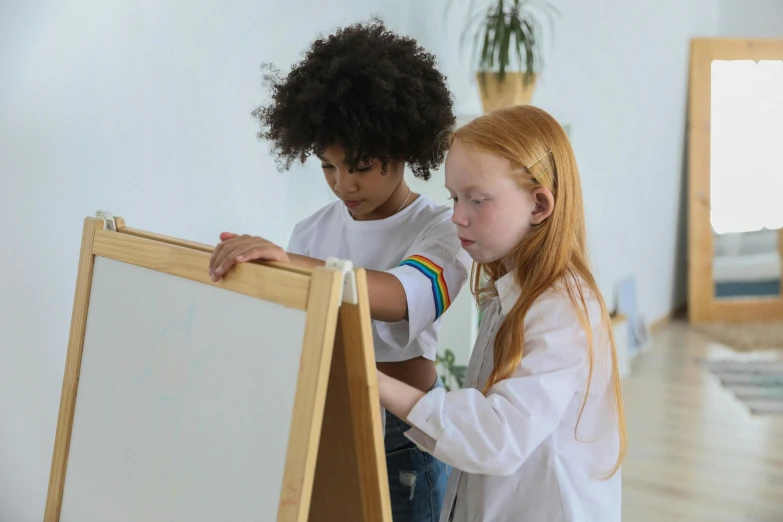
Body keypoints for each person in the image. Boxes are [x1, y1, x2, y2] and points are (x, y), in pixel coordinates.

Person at [207, 19, 472, 522]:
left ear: (399, 148)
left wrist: (295, 265)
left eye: (358, 165)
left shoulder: (440, 229)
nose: (342, 183)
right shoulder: (310, 231)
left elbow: (401, 295)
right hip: (330, 419)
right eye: (327, 166)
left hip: (405, 430)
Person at [377, 105, 627, 522]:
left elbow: (496, 436)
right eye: (454, 197)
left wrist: (370, 380)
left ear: (539, 205)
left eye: (477, 199)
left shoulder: (562, 310)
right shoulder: (506, 296)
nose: (457, 216)